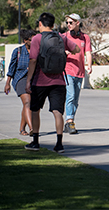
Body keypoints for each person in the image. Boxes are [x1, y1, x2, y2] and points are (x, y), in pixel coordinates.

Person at [25, 12, 80, 153]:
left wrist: (28, 81)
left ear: (40, 24)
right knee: (57, 112)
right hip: (59, 81)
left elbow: (33, 60)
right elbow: (77, 49)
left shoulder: (37, 39)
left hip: (40, 81)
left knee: (35, 111)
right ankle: (59, 144)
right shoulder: (61, 37)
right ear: (53, 24)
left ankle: (35, 142)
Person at [63, 13, 93, 134]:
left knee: (75, 99)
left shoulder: (85, 37)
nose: (68, 25)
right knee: (70, 96)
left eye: (71, 22)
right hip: (67, 70)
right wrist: (64, 52)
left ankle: (69, 122)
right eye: (67, 23)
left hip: (80, 72)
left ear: (77, 23)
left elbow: (88, 53)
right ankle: (69, 120)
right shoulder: (64, 36)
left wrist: (89, 65)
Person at [4, 29, 36, 136]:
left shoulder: (37, 51)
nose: (34, 42)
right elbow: (11, 69)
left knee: (27, 104)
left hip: (33, 79)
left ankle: (22, 129)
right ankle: (32, 128)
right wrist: (7, 83)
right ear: (25, 40)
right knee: (27, 102)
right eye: (31, 40)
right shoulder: (18, 51)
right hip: (20, 79)